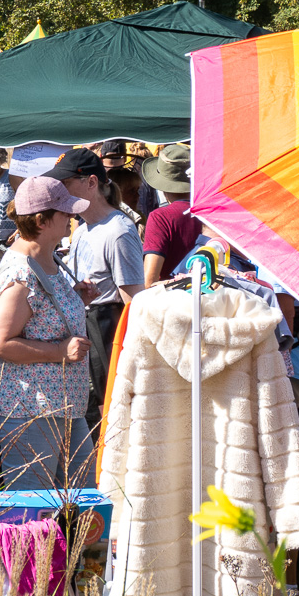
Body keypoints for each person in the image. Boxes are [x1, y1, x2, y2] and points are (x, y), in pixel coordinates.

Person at [0, 175, 92, 489]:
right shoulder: (21, 272)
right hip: (31, 409)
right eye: (65, 212)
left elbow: (41, 314)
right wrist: (59, 352)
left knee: (85, 498)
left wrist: (75, 298)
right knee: (30, 508)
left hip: (59, 406)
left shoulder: (46, 255)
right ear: (42, 221)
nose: (72, 216)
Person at [50, 145, 142, 429]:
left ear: (91, 183)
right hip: (84, 336)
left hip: (107, 337)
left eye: (66, 184)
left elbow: (134, 303)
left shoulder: (118, 231)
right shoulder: (81, 230)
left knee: (108, 426)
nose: (60, 192)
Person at [139, 143, 201, 288]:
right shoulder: (213, 213)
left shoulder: (160, 217)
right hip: (214, 302)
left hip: (174, 305)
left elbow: (149, 282)